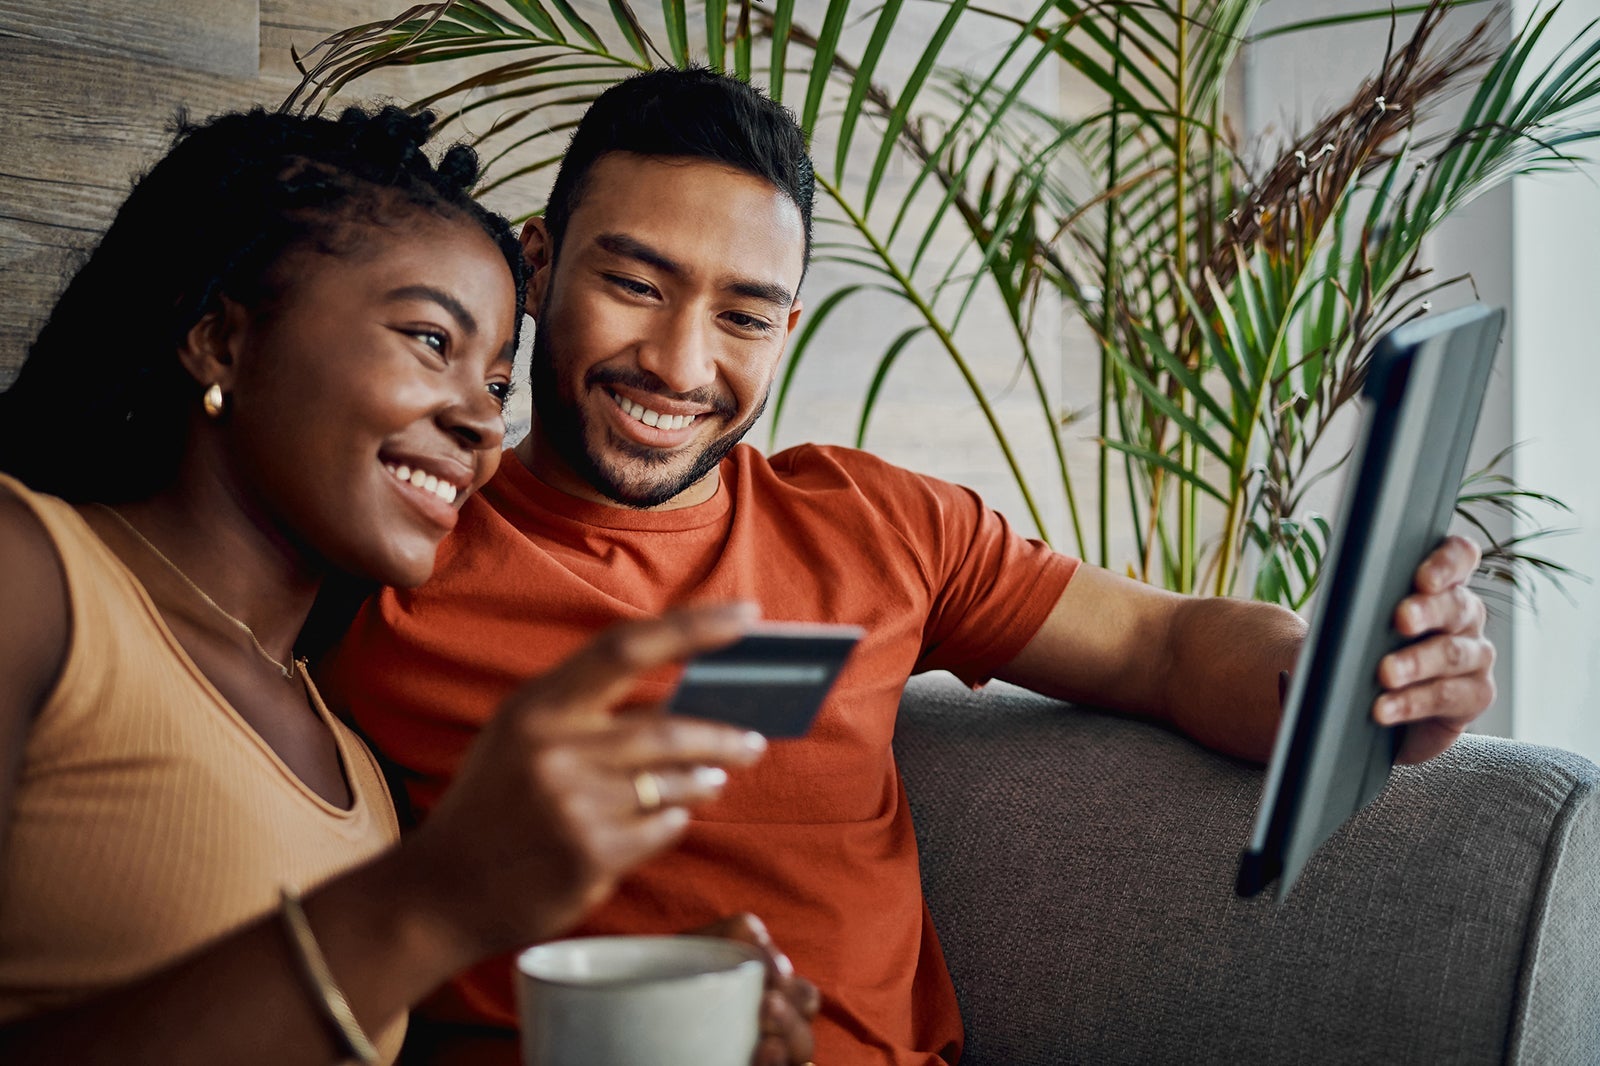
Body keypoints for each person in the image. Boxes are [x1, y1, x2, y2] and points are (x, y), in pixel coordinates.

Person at [319, 68, 1497, 1066]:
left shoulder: (873, 524)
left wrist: (1357, 677)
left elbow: (1162, 643)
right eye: (634, 283)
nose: (679, 363)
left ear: (786, 329)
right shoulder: (389, 552)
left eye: (742, 314)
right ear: (538, 266)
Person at [0, 104, 817, 1065]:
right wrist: (431, 900)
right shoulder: (33, 576)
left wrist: (643, 1029)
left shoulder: (347, 750)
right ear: (221, 338)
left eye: (498, 382)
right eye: (432, 340)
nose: (480, 421)